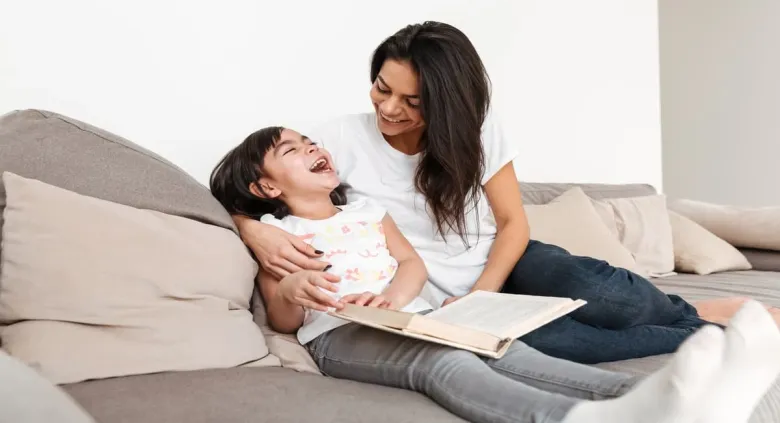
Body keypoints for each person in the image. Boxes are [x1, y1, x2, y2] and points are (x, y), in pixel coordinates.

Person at [232, 21, 733, 364]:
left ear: (448, 104)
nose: (388, 109)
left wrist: (483, 294)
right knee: (562, 341)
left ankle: (690, 310)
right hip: (428, 299)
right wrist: (255, 232)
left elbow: (513, 223)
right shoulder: (337, 138)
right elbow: (244, 188)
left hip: (501, 264)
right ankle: (704, 329)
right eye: (381, 88)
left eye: (412, 101)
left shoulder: (479, 131)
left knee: (596, 289)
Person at [209, 125, 780, 423]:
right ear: (265, 188)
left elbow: (410, 263)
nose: (312, 146)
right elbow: (283, 317)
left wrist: (396, 296)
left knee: (517, 354)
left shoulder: (365, 212)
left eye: (309, 140)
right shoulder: (283, 237)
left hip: (416, 315)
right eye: (291, 149)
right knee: (448, 364)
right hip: (337, 333)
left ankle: (661, 398)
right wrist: (288, 287)